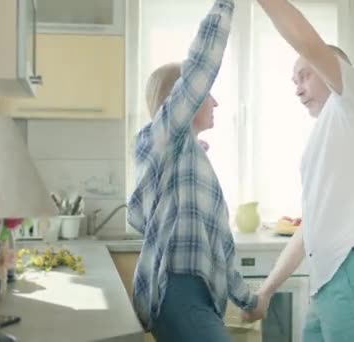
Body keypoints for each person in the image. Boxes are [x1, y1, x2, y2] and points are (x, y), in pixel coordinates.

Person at [242, 0, 354, 341]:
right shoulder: (332, 133)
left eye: (305, 75)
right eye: (292, 81)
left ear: (333, 67)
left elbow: (306, 42)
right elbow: (310, 227)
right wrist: (267, 291)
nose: (297, 88)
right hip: (330, 277)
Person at [127, 1, 257, 341]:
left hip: (200, 295)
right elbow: (201, 64)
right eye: (208, 93)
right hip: (176, 290)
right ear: (182, 99)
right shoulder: (159, 138)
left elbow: (221, 243)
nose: (215, 102)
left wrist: (246, 297)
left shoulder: (191, 164)